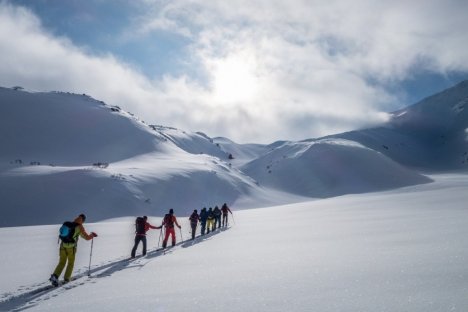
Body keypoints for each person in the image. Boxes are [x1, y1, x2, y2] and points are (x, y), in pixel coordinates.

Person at [49, 214, 97, 286]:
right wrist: (92, 235)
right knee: (70, 263)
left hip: (62, 246)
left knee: (61, 262)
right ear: (83, 220)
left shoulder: (69, 224)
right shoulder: (80, 227)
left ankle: (55, 276)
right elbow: (86, 237)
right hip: (71, 248)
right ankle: (66, 278)